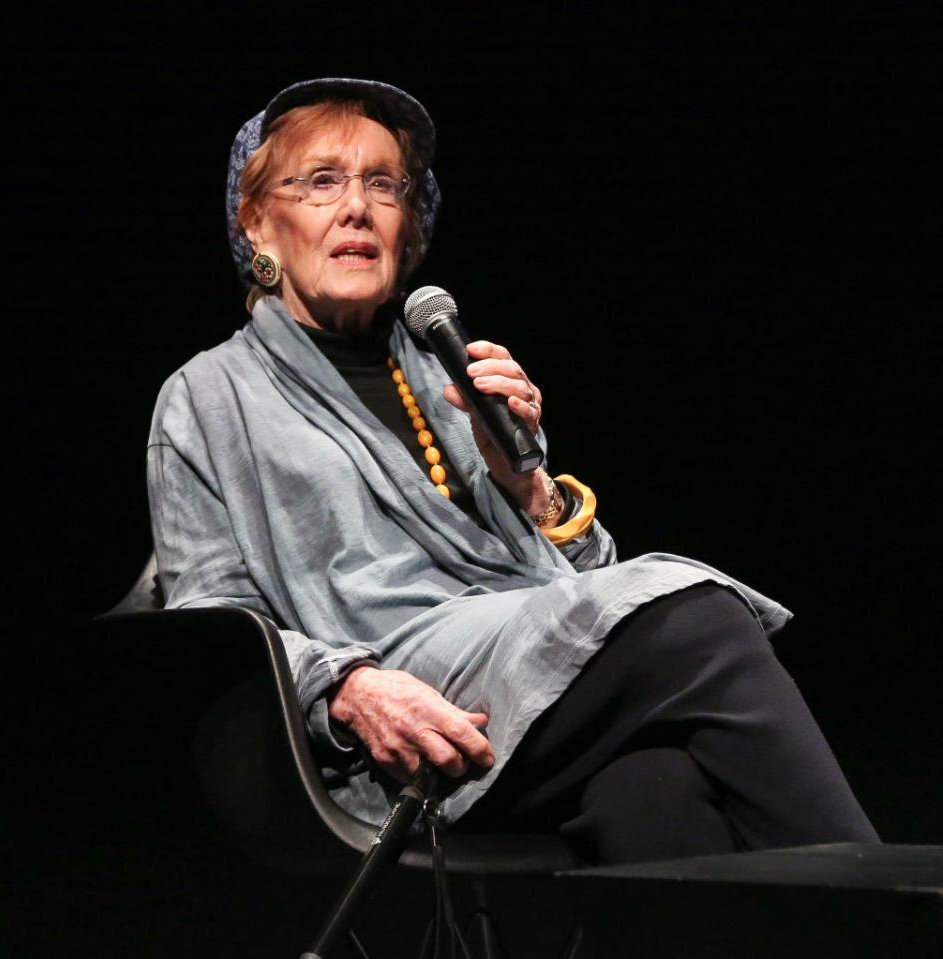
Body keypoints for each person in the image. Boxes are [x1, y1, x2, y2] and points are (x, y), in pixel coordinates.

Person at [147, 77, 878, 865]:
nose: (357, 206)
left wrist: (525, 487)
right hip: (394, 700)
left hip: (522, 659)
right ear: (257, 219)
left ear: (409, 226)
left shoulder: (441, 374)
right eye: (322, 181)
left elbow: (593, 576)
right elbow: (209, 633)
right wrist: (349, 691)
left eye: (384, 185)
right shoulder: (209, 396)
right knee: (693, 616)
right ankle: (891, 916)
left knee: (651, 789)